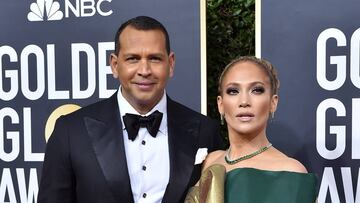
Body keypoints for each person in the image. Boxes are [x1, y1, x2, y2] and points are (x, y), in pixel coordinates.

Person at [37, 16, 223, 203]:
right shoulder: (70, 131)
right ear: (115, 65)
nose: (144, 70)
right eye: (133, 59)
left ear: (171, 64)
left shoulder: (205, 131)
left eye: (155, 58)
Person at [185, 56, 317, 203]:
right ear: (220, 104)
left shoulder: (291, 171)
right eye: (233, 91)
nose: (244, 102)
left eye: (257, 90)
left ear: (273, 103)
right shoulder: (209, 161)